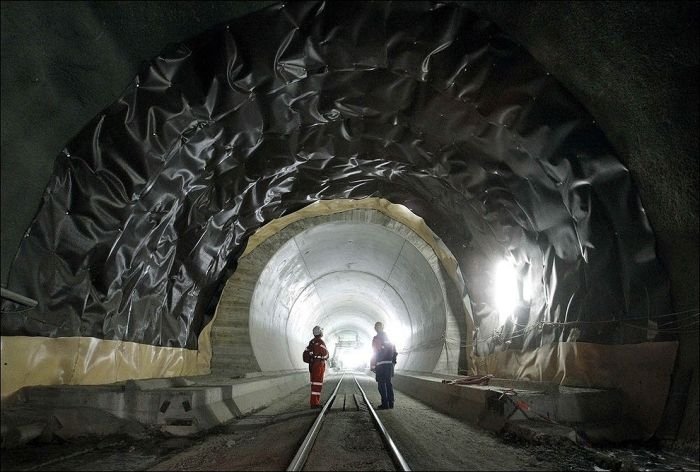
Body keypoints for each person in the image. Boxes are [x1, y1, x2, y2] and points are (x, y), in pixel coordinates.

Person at [370, 321, 397, 409]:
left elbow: (375, 352)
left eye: (376, 327)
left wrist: (373, 365)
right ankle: (391, 403)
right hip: (389, 365)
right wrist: (393, 363)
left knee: (381, 385)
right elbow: (395, 352)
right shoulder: (389, 338)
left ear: (376, 328)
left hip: (381, 365)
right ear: (383, 327)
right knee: (388, 384)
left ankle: (385, 404)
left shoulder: (376, 338)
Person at [304, 325, 329, 408]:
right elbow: (326, 355)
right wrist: (325, 357)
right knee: (317, 384)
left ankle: (314, 402)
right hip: (319, 365)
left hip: (312, 365)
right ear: (320, 333)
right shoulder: (321, 342)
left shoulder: (311, 342)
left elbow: (307, 353)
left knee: (313, 383)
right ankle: (315, 403)